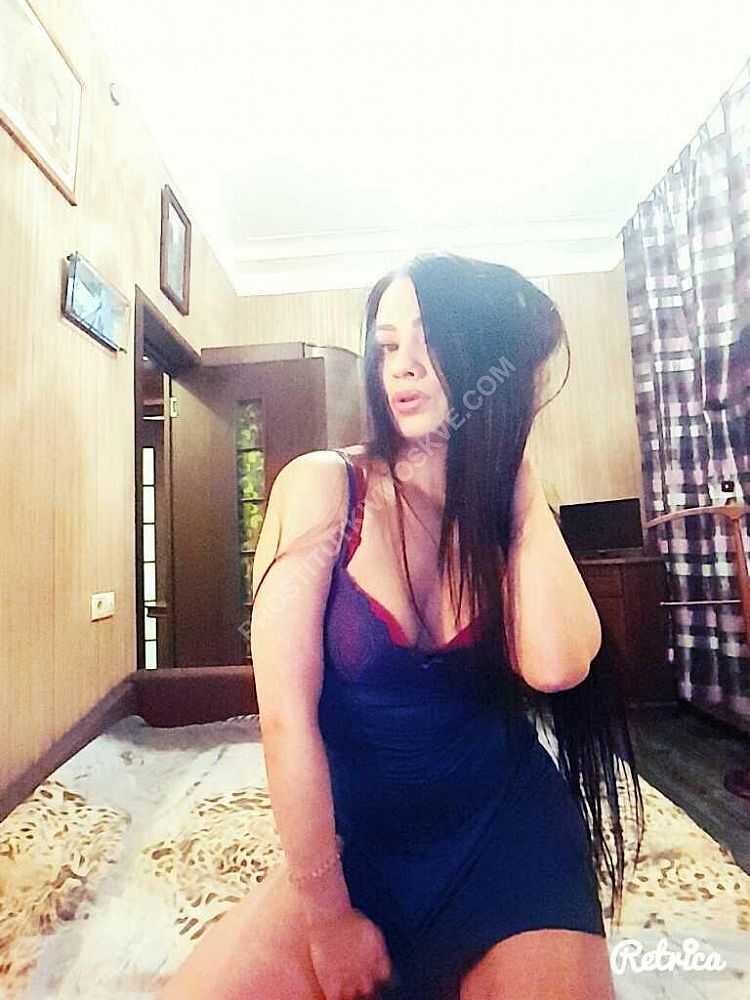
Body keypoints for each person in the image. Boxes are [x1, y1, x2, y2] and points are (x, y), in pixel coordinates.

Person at [158, 252, 644, 1000]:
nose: (402, 367)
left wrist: (515, 476)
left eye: (430, 339)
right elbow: (286, 720)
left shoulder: (507, 517)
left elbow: (556, 667)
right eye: (387, 346)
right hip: (359, 848)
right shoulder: (324, 488)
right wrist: (327, 917)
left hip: (507, 839)